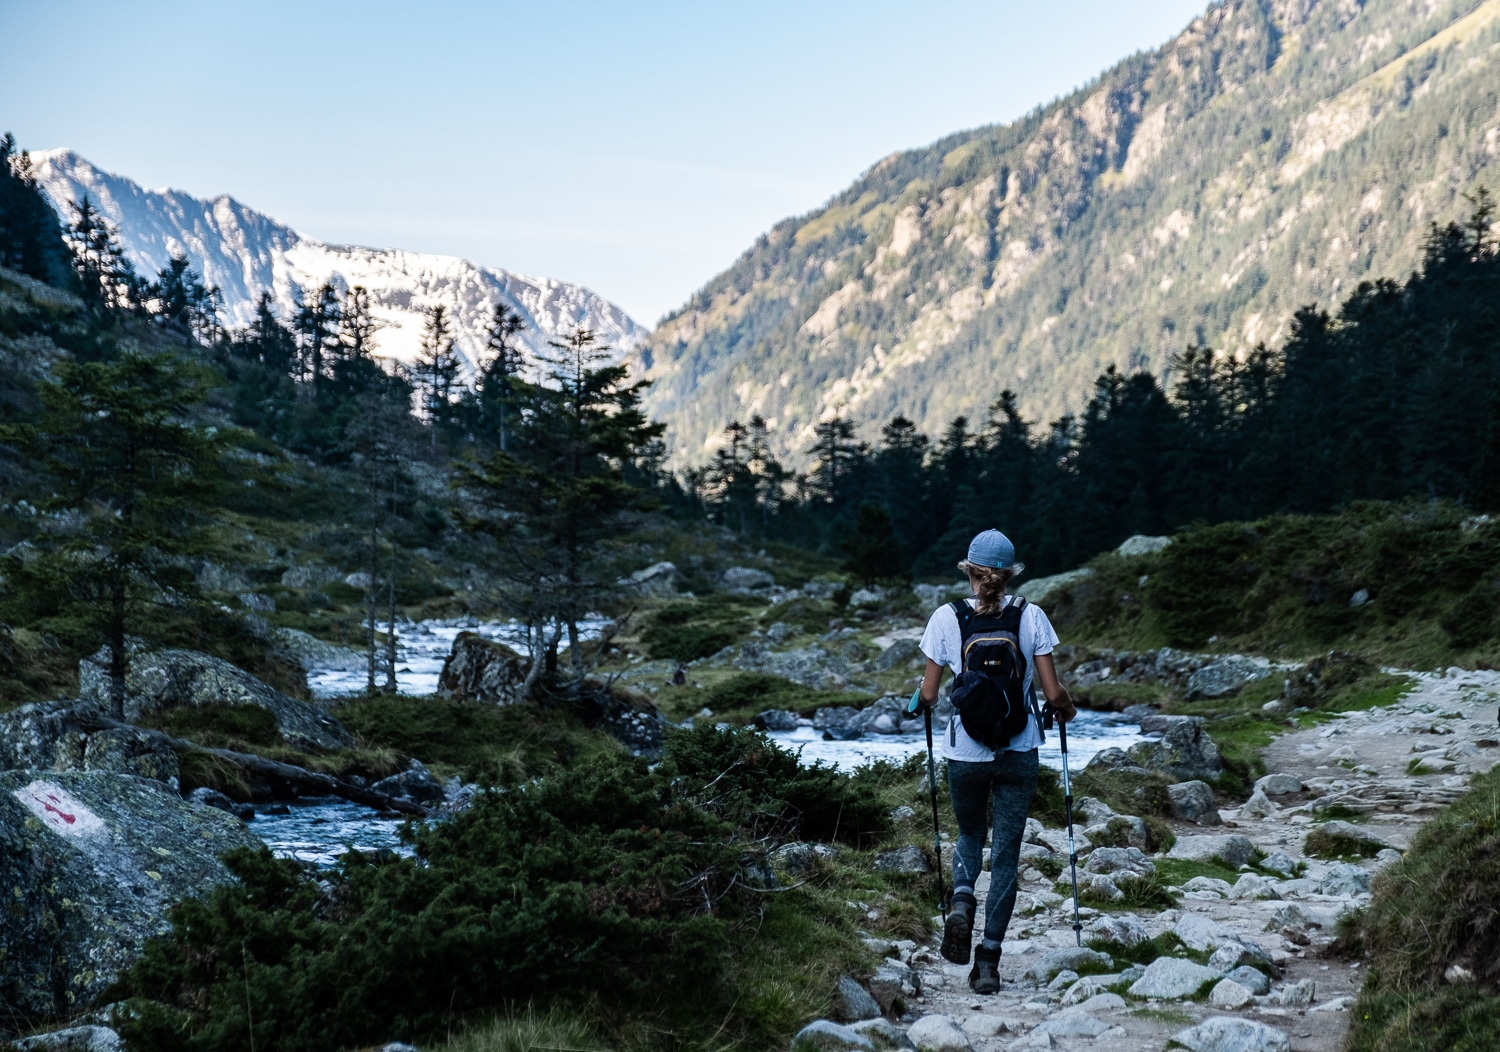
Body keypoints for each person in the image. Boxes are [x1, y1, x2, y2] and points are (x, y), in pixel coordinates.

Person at [916, 528, 1075, 994]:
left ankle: (962, 899)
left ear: (969, 571)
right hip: (1018, 749)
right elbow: (1051, 691)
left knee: (968, 833)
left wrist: (921, 699)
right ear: (1009, 574)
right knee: (1005, 857)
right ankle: (987, 964)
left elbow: (928, 694)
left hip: (965, 751)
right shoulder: (1031, 616)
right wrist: (1065, 705)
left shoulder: (946, 618)